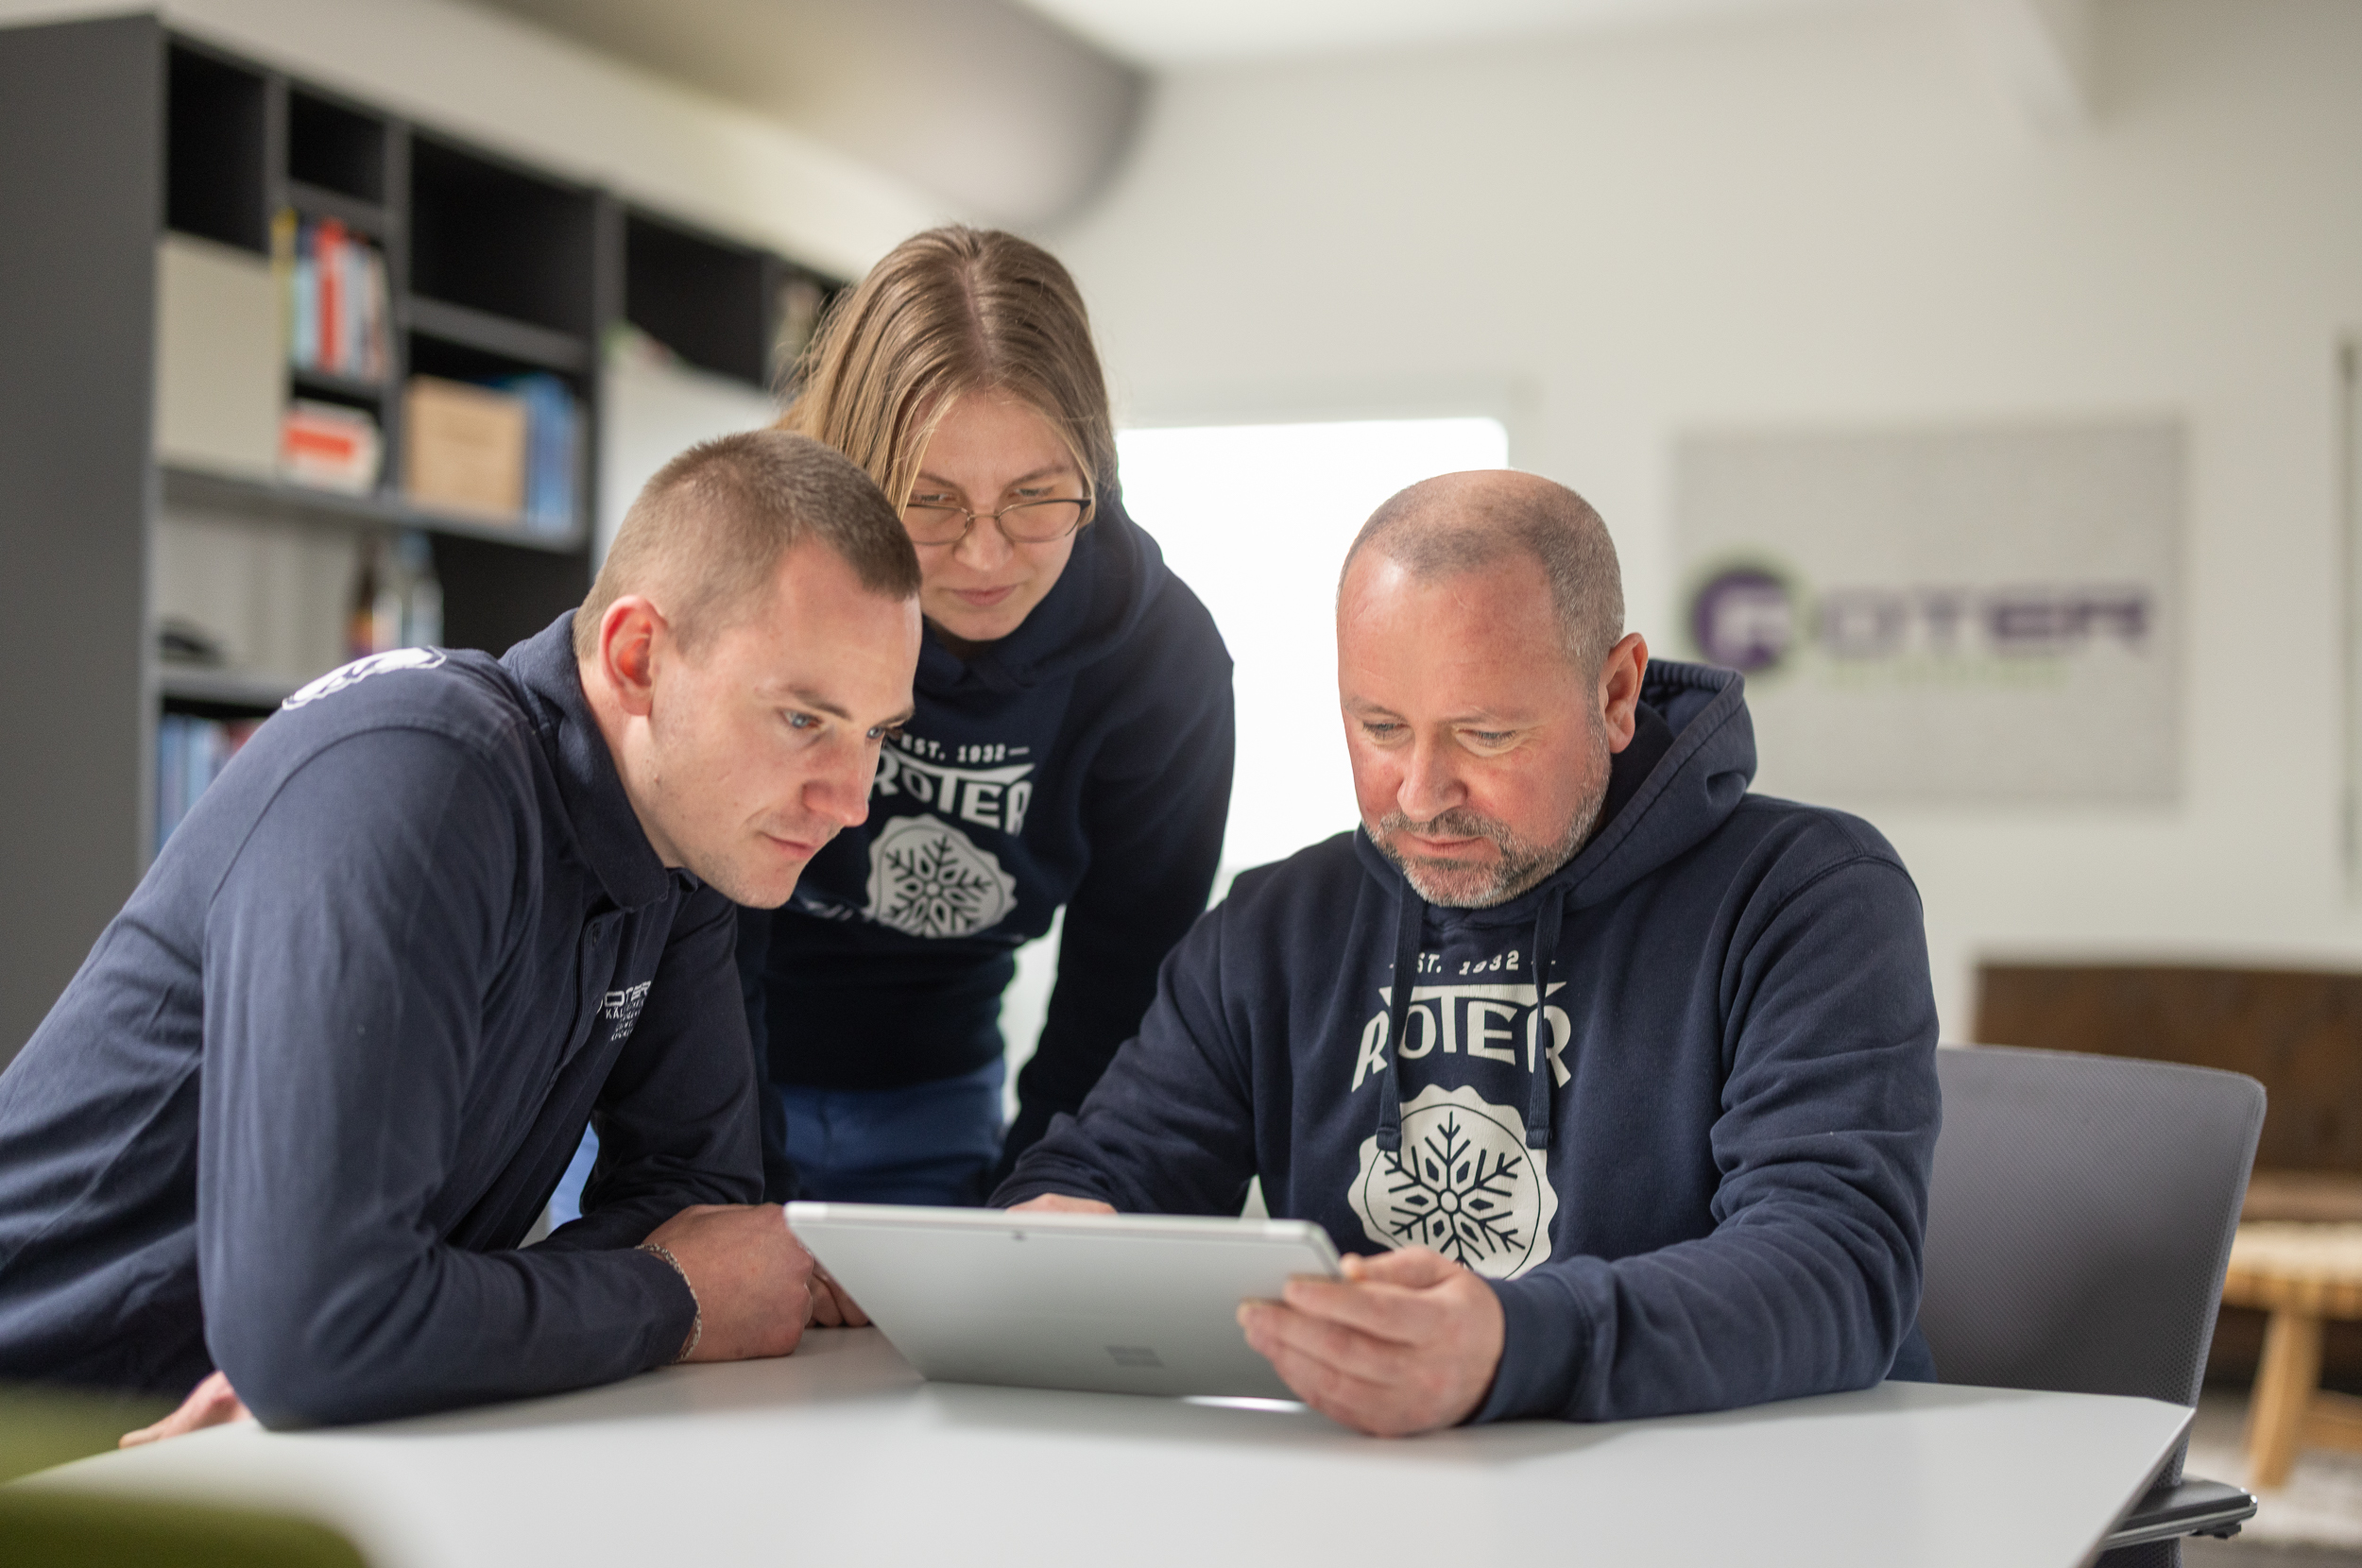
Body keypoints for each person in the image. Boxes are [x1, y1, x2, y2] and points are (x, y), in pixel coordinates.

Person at [0, 430, 918, 1433]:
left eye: (875, 732)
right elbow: (322, 1330)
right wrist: (669, 1297)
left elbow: (696, 1207)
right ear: (638, 658)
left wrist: (404, 1337)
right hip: (45, 1435)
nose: (851, 801)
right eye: (803, 719)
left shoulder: (686, 848)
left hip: (235, 1453)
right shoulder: (421, 776)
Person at [995, 469, 1943, 1438]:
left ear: (1615, 692)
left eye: (1485, 735)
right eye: (1380, 728)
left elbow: (1836, 1265)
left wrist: (1513, 1343)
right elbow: (1107, 1169)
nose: (1419, 794)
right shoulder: (1273, 927)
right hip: (1384, 1485)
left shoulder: (1807, 891)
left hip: (1745, 1480)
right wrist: (1063, 1229)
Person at [732, 226, 1235, 1204]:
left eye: (1035, 497)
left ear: (1096, 472)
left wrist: (1038, 1192)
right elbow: (689, 919)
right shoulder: (748, 580)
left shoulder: (1162, 662)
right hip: (688, 1068)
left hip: (937, 1093)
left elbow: (1123, 981)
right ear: (857, 471)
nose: (984, 556)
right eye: (929, 501)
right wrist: (719, 1166)